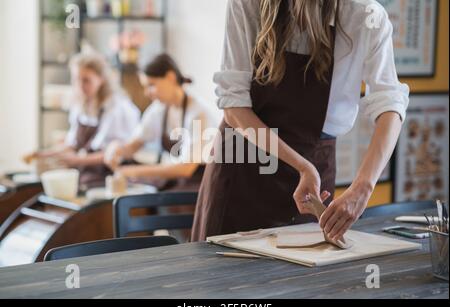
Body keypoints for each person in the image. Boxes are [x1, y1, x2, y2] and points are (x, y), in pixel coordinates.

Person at [191, 0, 410, 241]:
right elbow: (234, 109)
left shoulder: (365, 15)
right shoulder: (247, 3)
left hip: (316, 166)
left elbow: (390, 104)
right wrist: (302, 166)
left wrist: (363, 187)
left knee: (303, 274)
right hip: (243, 166)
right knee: (226, 275)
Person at [105, 54, 219, 192]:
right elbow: (135, 144)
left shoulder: (198, 113)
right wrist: (117, 148)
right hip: (177, 184)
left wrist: (134, 171)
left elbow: (186, 169)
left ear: (170, 77)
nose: (147, 93)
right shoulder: (159, 109)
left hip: (199, 187)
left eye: (151, 85)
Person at [27, 53, 141, 188]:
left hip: (112, 173)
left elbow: (113, 153)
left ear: (101, 79)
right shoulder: (80, 104)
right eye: (76, 79)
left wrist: (76, 160)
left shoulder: (116, 107)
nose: (80, 85)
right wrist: (46, 154)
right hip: (88, 170)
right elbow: (72, 144)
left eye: (86, 80)